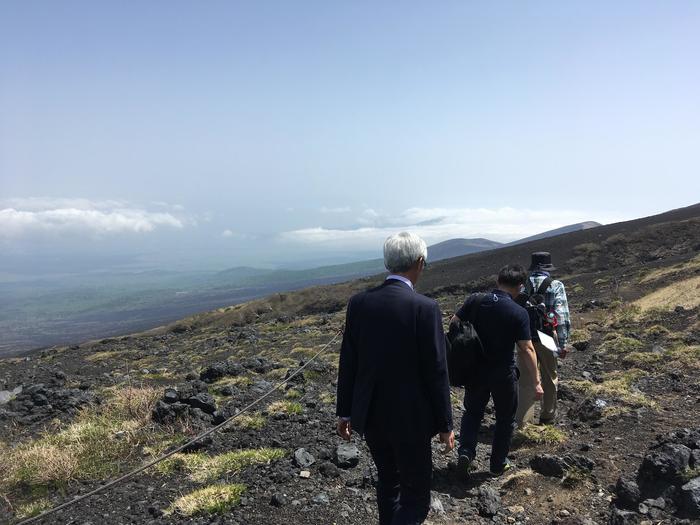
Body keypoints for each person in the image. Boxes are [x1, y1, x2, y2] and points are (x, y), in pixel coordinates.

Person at [336, 231, 455, 525]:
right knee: (416, 495)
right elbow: (437, 370)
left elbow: (349, 361)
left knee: (388, 482)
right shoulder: (425, 308)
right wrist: (445, 424)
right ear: (419, 262)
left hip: (371, 414)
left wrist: (345, 412)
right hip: (411, 418)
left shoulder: (359, 303)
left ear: (387, 263)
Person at [450, 264, 543, 477]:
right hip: (503, 372)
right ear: (520, 287)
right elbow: (527, 348)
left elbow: (455, 322)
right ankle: (498, 463)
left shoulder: (474, 300)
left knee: (472, 413)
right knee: (505, 419)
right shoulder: (518, 312)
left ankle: (466, 451)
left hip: (475, 371)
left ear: (497, 281)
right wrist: (536, 381)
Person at [516, 252, 571, 427]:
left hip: (525, 337)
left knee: (525, 378)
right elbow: (561, 316)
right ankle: (547, 416)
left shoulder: (522, 285)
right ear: (548, 268)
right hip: (547, 336)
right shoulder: (555, 285)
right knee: (549, 376)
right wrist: (562, 344)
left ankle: (524, 421)